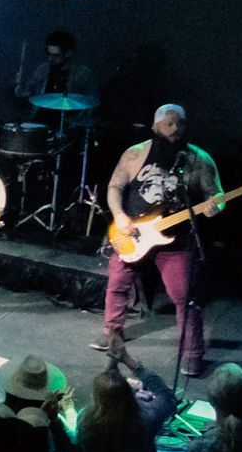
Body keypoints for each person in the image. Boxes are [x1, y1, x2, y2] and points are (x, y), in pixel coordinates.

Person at [94, 103, 224, 374]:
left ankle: (192, 351)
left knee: (184, 296)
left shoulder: (199, 160)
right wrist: (119, 215)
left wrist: (215, 207)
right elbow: (115, 186)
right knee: (117, 284)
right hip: (134, 233)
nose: (175, 128)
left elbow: (217, 197)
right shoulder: (135, 154)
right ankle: (113, 334)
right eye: (169, 123)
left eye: (180, 123)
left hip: (176, 241)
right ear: (155, 126)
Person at [14, 28, 93, 101]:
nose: (50, 58)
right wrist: (21, 86)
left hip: (69, 116)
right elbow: (27, 94)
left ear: (69, 53)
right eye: (49, 54)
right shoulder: (43, 69)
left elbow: (92, 102)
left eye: (56, 55)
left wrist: (81, 116)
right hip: (42, 115)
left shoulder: (83, 74)